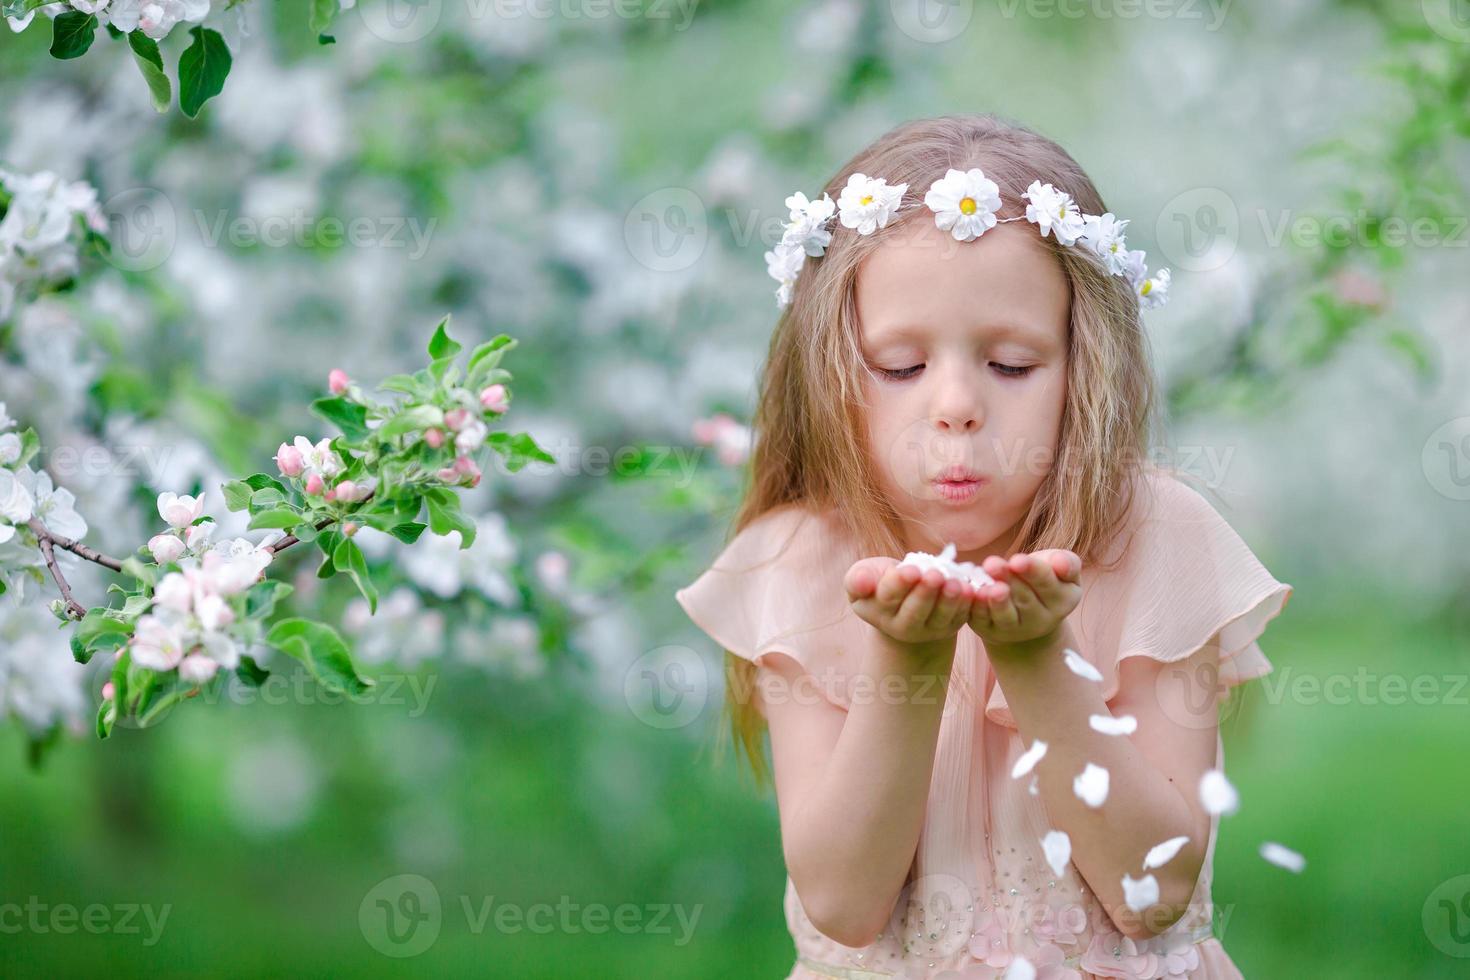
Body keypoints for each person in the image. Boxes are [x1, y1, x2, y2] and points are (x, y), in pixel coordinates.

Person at [674, 113, 1293, 979]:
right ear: (829, 370)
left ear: (1087, 364)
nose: (957, 404)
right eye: (899, 366)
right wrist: (909, 658)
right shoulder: (796, 564)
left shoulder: (1159, 541)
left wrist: (1040, 656)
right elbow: (847, 908)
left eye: (1009, 363)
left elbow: (1150, 895)